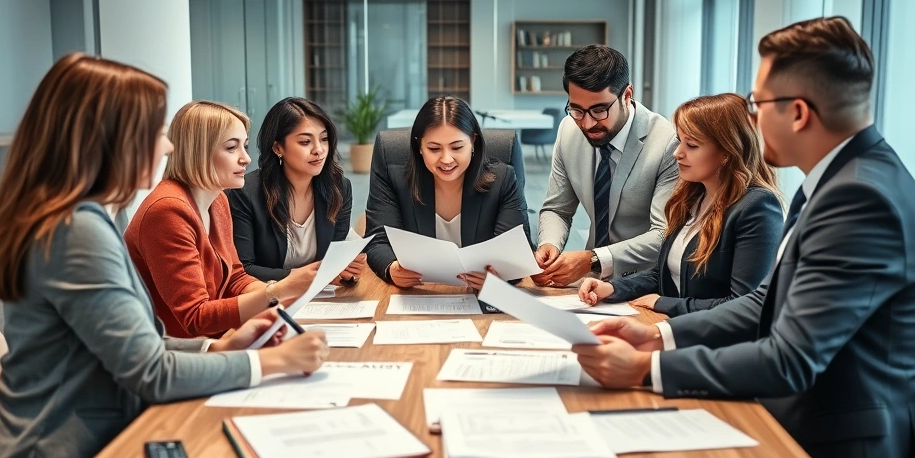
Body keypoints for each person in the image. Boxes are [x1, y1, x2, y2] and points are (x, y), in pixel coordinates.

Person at [572, 17, 915, 458]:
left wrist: (647, 368)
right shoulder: (837, 180)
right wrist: (659, 335)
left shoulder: (860, 197)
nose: (750, 118)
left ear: (799, 113)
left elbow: (790, 359)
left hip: (838, 453)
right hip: (805, 418)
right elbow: (766, 301)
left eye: (756, 103)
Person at [0, 54, 328, 458]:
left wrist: (217, 349)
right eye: (157, 131)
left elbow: (137, 343)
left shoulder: (85, 218)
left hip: (102, 435)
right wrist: (268, 362)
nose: (167, 146)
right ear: (110, 138)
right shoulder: (76, 231)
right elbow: (152, 373)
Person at [124, 101, 320, 338]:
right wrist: (276, 291)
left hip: (217, 341)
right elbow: (195, 318)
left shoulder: (217, 200)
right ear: (199, 151)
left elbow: (234, 279)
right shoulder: (168, 211)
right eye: (231, 148)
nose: (246, 159)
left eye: (245, 146)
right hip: (179, 356)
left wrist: (276, 301)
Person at [578, 93, 783, 317]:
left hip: (717, 344)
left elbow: (744, 306)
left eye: (692, 145)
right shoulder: (691, 196)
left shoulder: (757, 208)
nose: (677, 153)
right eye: (679, 141)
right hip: (675, 326)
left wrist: (664, 304)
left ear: (727, 152)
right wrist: (614, 288)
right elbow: (665, 274)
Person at [534, 44, 679, 288]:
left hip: (647, 283)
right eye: (577, 110)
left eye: (600, 110)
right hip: (589, 282)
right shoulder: (569, 130)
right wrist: (549, 245)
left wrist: (594, 259)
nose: (588, 123)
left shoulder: (667, 142)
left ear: (627, 96)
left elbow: (663, 234)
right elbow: (557, 209)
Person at [365, 95, 531, 289]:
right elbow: (377, 241)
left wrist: (500, 277)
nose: (446, 159)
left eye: (457, 147)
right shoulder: (395, 176)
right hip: (419, 294)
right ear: (419, 147)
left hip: (481, 298)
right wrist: (392, 268)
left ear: (473, 143)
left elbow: (518, 249)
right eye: (434, 149)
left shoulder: (502, 179)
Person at [228, 97, 364, 284]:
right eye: (305, 142)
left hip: (322, 301)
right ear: (278, 147)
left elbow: (335, 260)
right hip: (266, 300)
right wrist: (308, 276)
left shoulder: (338, 188)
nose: (319, 150)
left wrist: (346, 269)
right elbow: (244, 269)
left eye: (324, 139)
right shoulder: (245, 193)